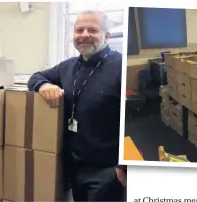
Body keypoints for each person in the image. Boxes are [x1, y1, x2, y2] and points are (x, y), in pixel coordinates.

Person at [27, 10, 126, 201]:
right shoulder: (68, 66)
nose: (84, 35)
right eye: (79, 30)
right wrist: (44, 85)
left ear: (106, 36)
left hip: (107, 171)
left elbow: (134, 122)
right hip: (75, 166)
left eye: (92, 30)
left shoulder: (121, 67)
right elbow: (35, 77)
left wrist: (124, 167)